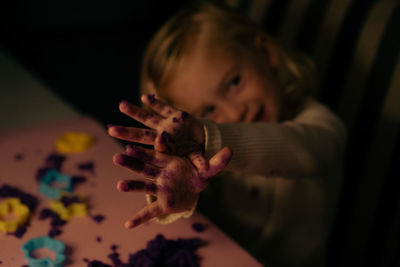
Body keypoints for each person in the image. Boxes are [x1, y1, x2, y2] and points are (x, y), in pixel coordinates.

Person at [108, 2, 346, 266]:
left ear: (265, 53)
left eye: (234, 83)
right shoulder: (204, 151)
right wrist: (184, 195)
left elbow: (302, 151)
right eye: (208, 110)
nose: (235, 113)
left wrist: (210, 133)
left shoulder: (322, 126)